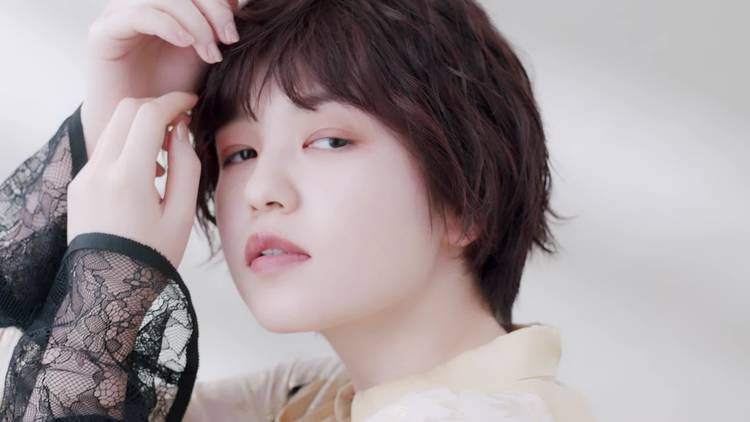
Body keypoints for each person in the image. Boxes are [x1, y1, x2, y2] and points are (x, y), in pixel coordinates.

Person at [0, 0, 596, 420]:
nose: (261, 190)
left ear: (467, 198)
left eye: (329, 141)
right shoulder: (313, 398)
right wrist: (120, 115)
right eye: (240, 153)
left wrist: (113, 263)